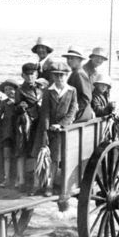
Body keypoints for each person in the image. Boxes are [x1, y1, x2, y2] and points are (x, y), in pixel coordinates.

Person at [35, 61, 77, 196]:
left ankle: (51, 185)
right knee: (44, 156)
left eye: (62, 76)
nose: (59, 78)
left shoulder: (72, 91)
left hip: (62, 131)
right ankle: (41, 184)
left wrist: (61, 124)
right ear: (52, 77)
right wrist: (46, 130)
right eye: (56, 76)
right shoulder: (48, 91)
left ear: (66, 76)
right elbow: (45, 112)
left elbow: (72, 111)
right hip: (48, 129)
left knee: (56, 158)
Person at [0, 78, 21, 187]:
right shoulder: (3, 103)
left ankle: (17, 179)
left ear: (16, 90)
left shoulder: (21, 102)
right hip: (7, 132)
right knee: (6, 155)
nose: (9, 92)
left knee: (18, 155)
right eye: (6, 90)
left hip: (19, 132)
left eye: (11, 89)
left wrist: (16, 103)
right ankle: (7, 178)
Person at [14, 63, 43, 192]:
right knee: (22, 152)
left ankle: (36, 182)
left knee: (37, 152)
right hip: (25, 125)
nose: (31, 77)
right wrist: (20, 107)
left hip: (39, 124)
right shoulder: (20, 90)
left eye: (33, 74)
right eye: (28, 75)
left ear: (36, 75)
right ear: (23, 76)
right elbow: (16, 108)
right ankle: (21, 181)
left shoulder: (41, 88)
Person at [62, 46, 94, 122]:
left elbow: (86, 97)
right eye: (68, 58)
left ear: (79, 60)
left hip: (81, 115)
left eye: (72, 58)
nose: (69, 61)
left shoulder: (79, 74)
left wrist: (73, 112)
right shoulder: (75, 73)